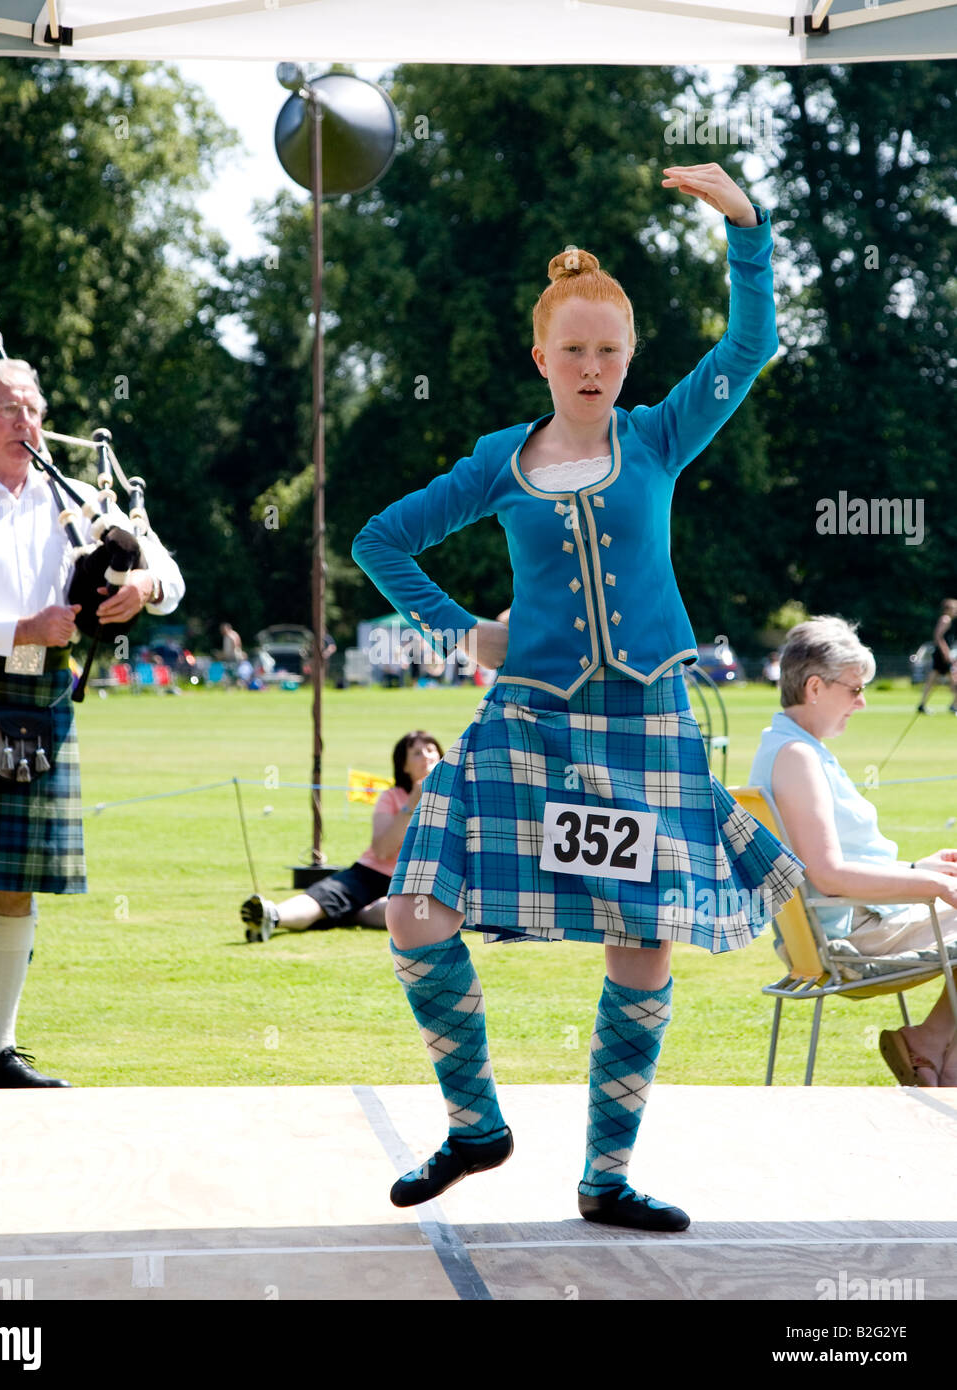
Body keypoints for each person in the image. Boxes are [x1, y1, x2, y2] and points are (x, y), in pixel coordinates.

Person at [351, 164, 803, 1231]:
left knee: (639, 946)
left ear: (628, 358)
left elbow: (746, 349)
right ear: (540, 358)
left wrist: (746, 228)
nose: (591, 365)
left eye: (609, 349)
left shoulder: (656, 435)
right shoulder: (498, 463)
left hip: (645, 722)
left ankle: (604, 1177)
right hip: (527, 723)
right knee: (413, 915)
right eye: (573, 349)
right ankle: (474, 1125)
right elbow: (380, 540)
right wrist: (464, 630)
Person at [0, 356, 184, 1090]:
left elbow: (170, 581)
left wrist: (142, 587)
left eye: (32, 409)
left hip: (42, 699)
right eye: (6, 410)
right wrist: (24, 624)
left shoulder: (80, 499)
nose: (24, 423)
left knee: (18, 885)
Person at [750, 616, 957, 1087]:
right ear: (816, 687)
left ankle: (936, 1054)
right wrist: (933, 883)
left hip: (849, 920)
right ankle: (933, 1051)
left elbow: (828, 863)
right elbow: (828, 874)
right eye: (854, 689)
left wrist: (915, 867)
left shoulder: (789, 746)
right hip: (851, 936)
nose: (861, 702)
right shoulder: (797, 758)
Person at [241, 731, 444, 940]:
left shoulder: (454, 800)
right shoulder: (391, 797)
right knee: (323, 896)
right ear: (404, 766)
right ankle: (271, 915)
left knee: (409, 912)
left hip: (416, 882)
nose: (427, 757)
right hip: (370, 874)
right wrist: (413, 802)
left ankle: (355, 914)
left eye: (431, 751)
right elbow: (382, 850)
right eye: (417, 753)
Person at [916, 599, 957, 715]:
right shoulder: (946, 619)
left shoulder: (947, 620)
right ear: (947, 609)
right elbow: (938, 637)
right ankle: (954, 705)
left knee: (934, 680)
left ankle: (922, 704)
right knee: (953, 679)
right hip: (942, 654)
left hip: (940, 654)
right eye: (954, 608)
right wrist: (946, 652)